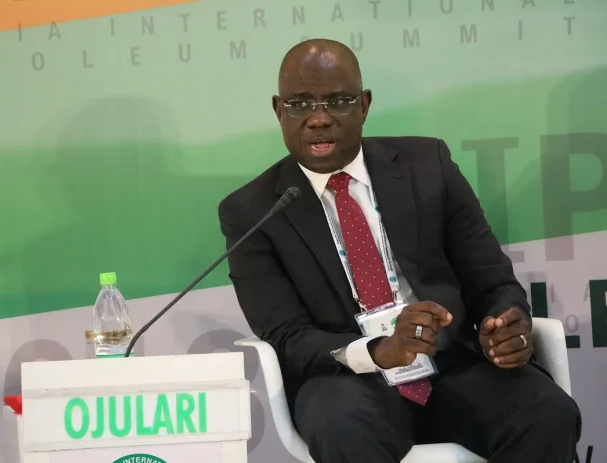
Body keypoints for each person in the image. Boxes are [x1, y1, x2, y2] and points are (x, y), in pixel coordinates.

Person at [217, 39, 581, 463]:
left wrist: (505, 323)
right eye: (300, 104)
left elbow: (492, 279)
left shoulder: (428, 165)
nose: (318, 118)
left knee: (546, 412)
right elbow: (288, 337)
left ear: (364, 105)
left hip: (452, 365)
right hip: (349, 381)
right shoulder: (252, 211)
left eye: (337, 101)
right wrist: (378, 350)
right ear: (279, 110)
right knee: (342, 427)